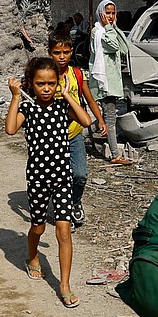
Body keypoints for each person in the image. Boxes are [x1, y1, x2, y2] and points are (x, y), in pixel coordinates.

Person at [5, 57, 91, 308]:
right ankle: (32, 257)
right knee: (39, 227)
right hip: (38, 178)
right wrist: (15, 96)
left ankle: (64, 285)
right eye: (40, 83)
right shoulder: (28, 108)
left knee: (64, 230)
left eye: (51, 83)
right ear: (31, 84)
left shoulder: (63, 106)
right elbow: (11, 129)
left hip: (62, 177)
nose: (46, 88)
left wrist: (68, 95)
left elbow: (86, 121)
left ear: (58, 83)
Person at [48, 30, 107, 227]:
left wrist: (100, 120)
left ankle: (74, 202)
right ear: (50, 53)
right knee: (57, 176)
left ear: (71, 51)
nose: (62, 57)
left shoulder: (77, 74)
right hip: (52, 137)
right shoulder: (46, 76)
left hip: (74, 134)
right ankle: (62, 213)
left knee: (80, 175)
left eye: (66, 52)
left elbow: (89, 99)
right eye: (57, 53)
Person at [88, 0, 131, 164]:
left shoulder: (109, 30)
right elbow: (113, 46)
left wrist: (114, 27)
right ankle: (115, 155)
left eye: (113, 13)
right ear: (101, 14)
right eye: (107, 13)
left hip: (112, 81)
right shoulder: (98, 32)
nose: (110, 16)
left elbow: (124, 48)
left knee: (107, 118)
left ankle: (79, 132)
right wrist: (108, 27)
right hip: (103, 81)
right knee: (111, 118)